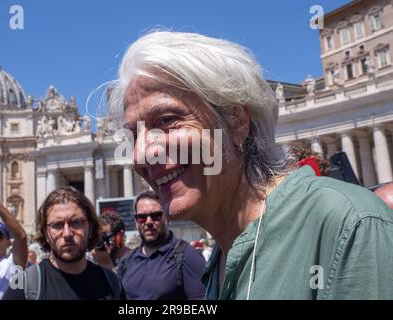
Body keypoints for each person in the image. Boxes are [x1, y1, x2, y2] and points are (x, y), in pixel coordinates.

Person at [108, 31, 393, 299]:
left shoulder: (349, 225)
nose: (141, 154)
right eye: (133, 135)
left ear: (237, 121)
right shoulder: (221, 256)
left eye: (167, 120)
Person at [3, 186, 121, 300]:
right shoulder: (23, 286)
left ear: (90, 228)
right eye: (57, 225)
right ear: (45, 232)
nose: (67, 233)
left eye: (76, 222)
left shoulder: (111, 283)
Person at [117, 191, 205, 300]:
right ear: (136, 221)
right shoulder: (126, 262)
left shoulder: (189, 257)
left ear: (166, 217)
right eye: (142, 217)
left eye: (155, 216)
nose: (149, 222)